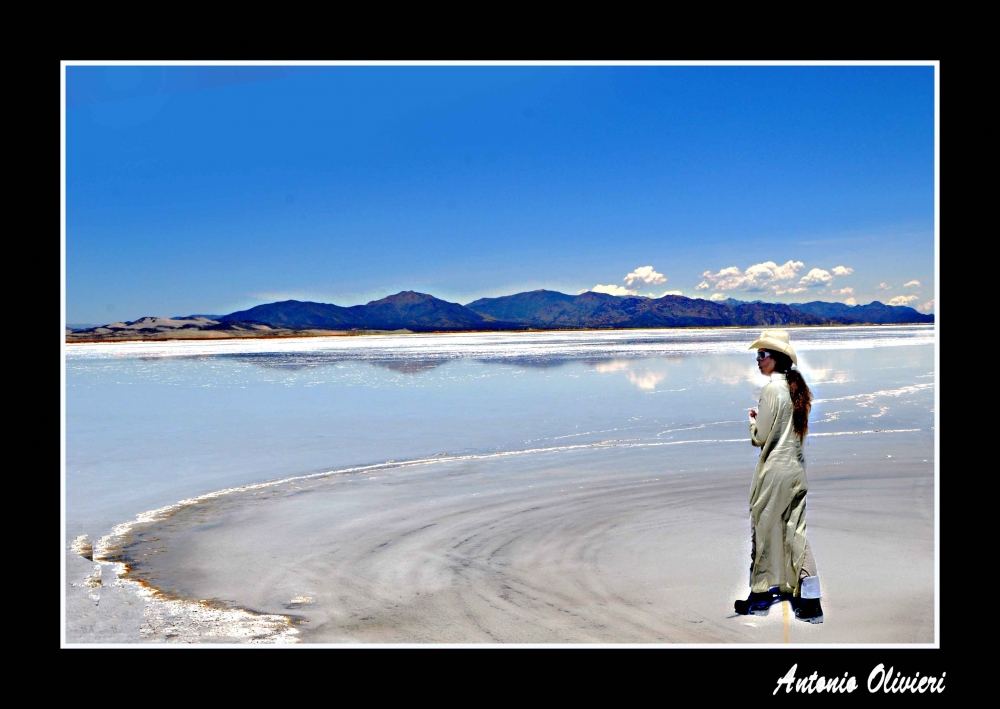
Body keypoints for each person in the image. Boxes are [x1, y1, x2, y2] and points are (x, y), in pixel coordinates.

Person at [734, 329, 824, 623]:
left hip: (775, 473)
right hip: (797, 471)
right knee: (796, 532)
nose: (757, 360)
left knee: (762, 530)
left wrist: (752, 422)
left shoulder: (772, 390)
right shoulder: (796, 389)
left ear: (776, 359)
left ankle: (759, 595)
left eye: (762, 355)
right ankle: (810, 601)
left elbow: (761, 438)